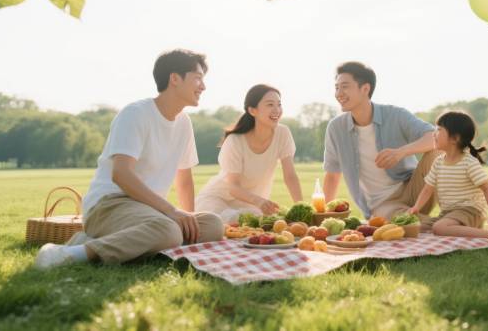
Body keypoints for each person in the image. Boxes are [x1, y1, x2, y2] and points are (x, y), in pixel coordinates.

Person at [34, 49, 223, 269]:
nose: (203, 86)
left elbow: (184, 180)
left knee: (213, 225)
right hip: (109, 205)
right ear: (174, 78)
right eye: (198, 78)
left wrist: (189, 221)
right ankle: (72, 253)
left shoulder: (184, 122)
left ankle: (113, 242)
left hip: (149, 211)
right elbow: (121, 174)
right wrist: (172, 212)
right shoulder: (135, 114)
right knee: (168, 230)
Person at [322, 61, 438, 220]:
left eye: (345, 86)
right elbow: (332, 175)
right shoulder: (336, 128)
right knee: (393, 220)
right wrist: (324, 217)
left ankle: (454, 211)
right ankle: (440, 224)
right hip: (383, 205)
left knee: (438, 152)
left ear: (365, 89)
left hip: (414, 188)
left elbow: (435, 137)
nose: (339, 93)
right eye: (337, 87)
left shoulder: (395, 115)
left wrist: (401, 152)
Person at [196, 84, 302, 223]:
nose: (277, 110)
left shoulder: (283, 133)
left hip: (250, 206)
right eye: (270, 104)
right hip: (217, 200)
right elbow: (233, 186)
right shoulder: (235, 141)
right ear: (252, 110)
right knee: (229, 224)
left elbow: (290, 176)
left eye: (279, 104)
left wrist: (301, 208)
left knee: (265, 226)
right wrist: (259, 201)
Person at [408, 111, 488, 244]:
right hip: (449, 213)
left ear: (455, 138)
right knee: (417, 226)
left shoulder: (468, 162)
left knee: (439, 228)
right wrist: (415, 208)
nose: (433, 133)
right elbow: (427, 189)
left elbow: (487, 189)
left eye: (438, 130)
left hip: (471, 211)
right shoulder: (438, 162)